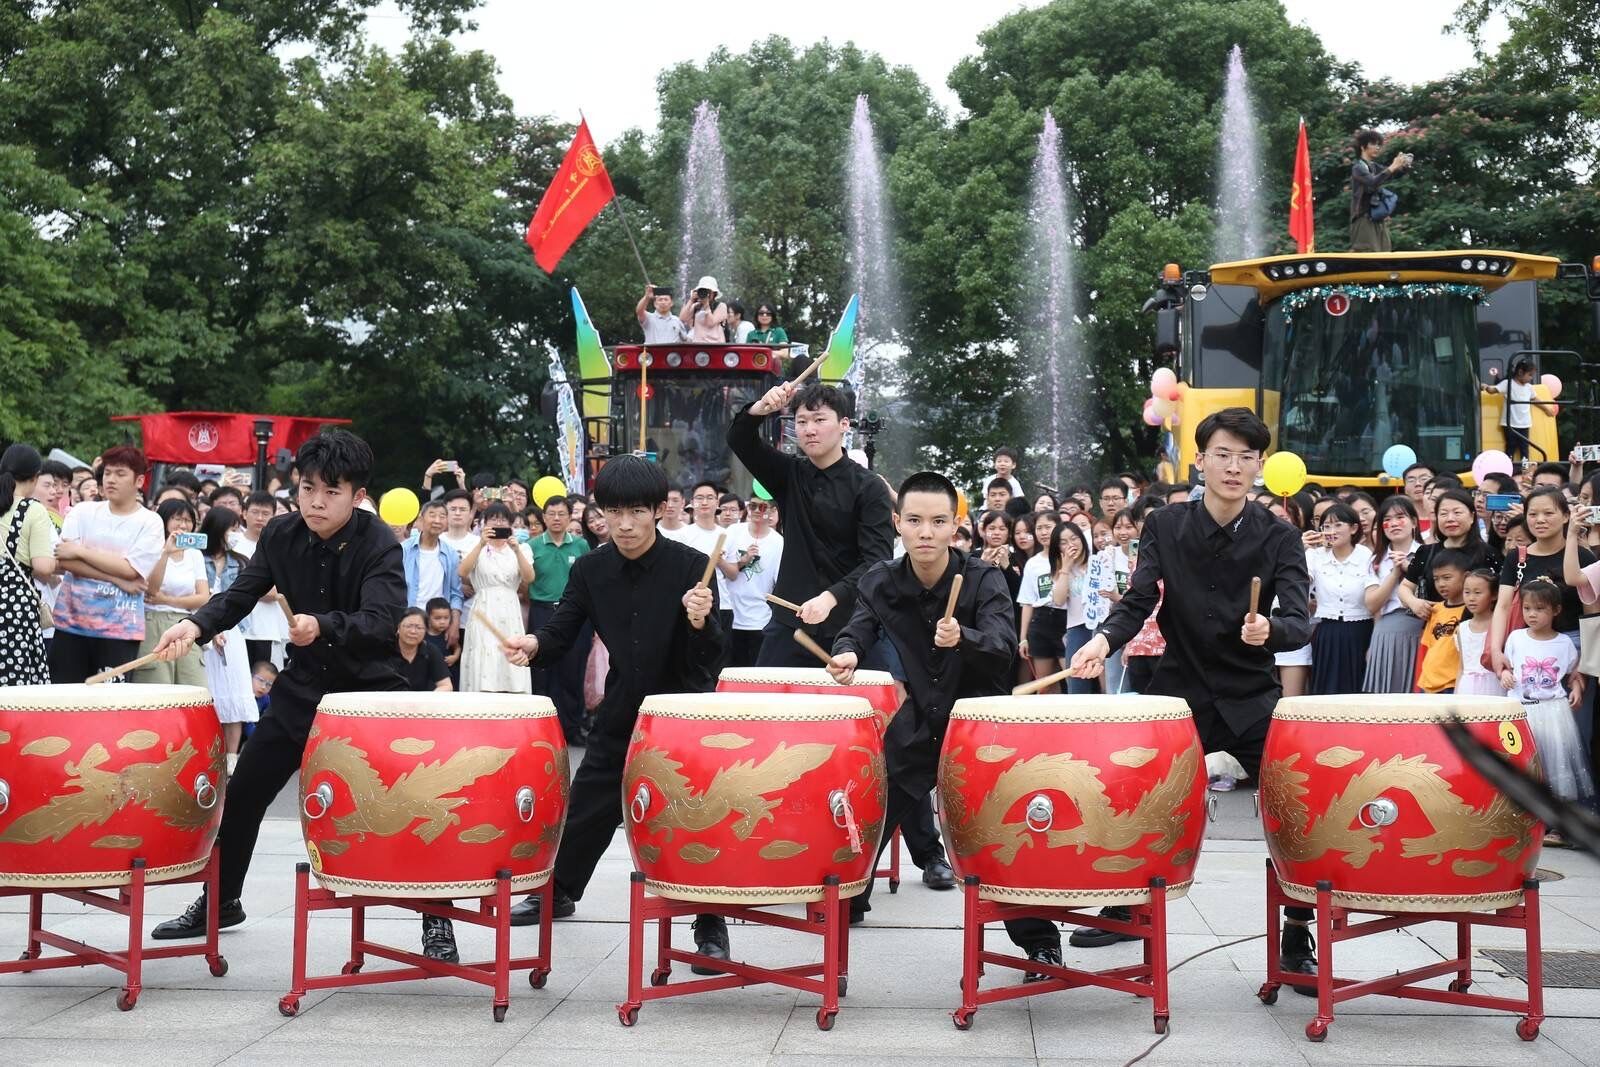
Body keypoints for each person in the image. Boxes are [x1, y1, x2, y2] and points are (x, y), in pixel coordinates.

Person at [146, 432, 435, 958]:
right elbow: (240, 594)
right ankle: (220, 901)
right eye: (307, 489)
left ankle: (437, 919)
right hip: (302, 688)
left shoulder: (379, 544)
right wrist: (196, 625)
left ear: (358, 496)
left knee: (407, 804)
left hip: (369, 693)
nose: (316, 502)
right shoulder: (281, 534)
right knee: (245, 792)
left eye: (331, 492)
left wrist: (322, 624)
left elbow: (381, 621)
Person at [1070, 408, 1314, 981]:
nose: (1234, 467)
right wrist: (1103, 641)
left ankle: (1298, 928)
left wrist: (1270, 630)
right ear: (1200, 460)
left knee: (1296, 801)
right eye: (1222, 454)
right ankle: (1126, 906)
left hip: (1251, 693)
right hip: (1179, 690)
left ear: (1259, 466)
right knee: (1135, 792)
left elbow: (1300, 621)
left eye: (1246, 457)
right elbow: (1139, 600)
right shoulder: (1165, 525)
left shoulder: (1279, 536)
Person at [825, 470, 1061, 969]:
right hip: (918, 720)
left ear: (955, 526)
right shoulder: (881, 579)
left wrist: (965, 639)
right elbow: (858, 627)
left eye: (937, 522)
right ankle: (848, 901)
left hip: (979, 727)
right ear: (898, 523)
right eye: (914, 521)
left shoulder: (983, 578)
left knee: (999, 837)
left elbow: (1002, 646)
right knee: (869, 810)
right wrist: (847, 652)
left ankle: (1039, 940)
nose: (926, 532)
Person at [499, 456, 729, 963]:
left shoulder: (691, 566)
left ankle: (710, 918)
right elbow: (562, 630)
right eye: (614, 512)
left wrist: (700, 621)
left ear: (658, 510)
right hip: (625, 702)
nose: (624, 524)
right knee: (589, 802)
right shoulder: (591, 569)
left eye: (636, 512)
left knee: (694, 817)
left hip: (685, 712)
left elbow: (712, 656)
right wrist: (534, 644)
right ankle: (559, 890)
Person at [728, 380, 894, 667]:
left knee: (871, 692)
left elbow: (877, 561)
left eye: (819, 419)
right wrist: (761, 407)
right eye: (802, 421)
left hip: (852, 626)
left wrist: (831, 597)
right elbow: (739, 439)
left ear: (844, 424)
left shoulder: (869, 487)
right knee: (762, 693)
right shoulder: (788, 473)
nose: (809, 429)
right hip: (790, 622)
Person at [47, 446, 165, 684]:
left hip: (119, 629)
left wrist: (81, 551)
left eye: (120, 474)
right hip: (71, 624)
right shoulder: (82, 512)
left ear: (139, 481)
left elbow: (131, 569)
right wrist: (117, 578)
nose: (111, 479)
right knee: (64, 697)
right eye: (108, 473)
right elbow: (65, 560)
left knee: (111, 700)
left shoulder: (150, 521)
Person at [1498, 578, 1594, 840]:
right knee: (1523, 764)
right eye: (1527, 608)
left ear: (1556, 610)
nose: (1532, 614)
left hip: (1553, 712)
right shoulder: (1516, 638)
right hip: (1522, 711)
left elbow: (1574, 673)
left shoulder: (1564, 643)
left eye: (1539, 609)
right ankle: (1521, 820)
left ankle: (1557, 824)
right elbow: (1507, 666)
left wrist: (1576, 689)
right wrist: (1505, 675)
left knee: (1555, 767)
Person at [196, 507, 259, 765]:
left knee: (235, 691)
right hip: (203, 628)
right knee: (210, 691)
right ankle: (209, 753)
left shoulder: (241, 561)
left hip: (234, 632)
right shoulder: (196, 558)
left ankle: (232, 756)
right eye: (231, 528)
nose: (235, 534)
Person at [526, 494, 591, 743]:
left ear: (570, 517)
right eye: (551, 514)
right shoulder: (532, 546)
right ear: (543, 517)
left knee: (573, 672)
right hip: (542, 611)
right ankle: (543, 730)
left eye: (561, 514)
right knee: (542, 672)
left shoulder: (581, 545)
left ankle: (572, 729)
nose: (556, 518)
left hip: (575, 614)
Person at [131, 498, 209, 687]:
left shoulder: (195, 554)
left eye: (188, 520)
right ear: (164, 520)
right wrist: (166, 552)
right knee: (157, 685)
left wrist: (166, 599)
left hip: (186, 623)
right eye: (177, 519)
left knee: (192, 685)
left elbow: (203, 597)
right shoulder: (151, 548)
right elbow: (152, 589)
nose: (183, 525)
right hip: (153, 622)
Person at [458, 502, 534, 694]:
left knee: (511, 652)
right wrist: (481, 544)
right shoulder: (475, 546)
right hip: (484, 606)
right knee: (484, 651)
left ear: (510, 524)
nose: (498, 523)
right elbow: (462, 572)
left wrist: (516, 550)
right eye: (493, 519)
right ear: (484, 523)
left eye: (503, 519)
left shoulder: (522, 548)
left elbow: (529, 578)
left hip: (510, 608)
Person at [1306, 503, 1377, 695]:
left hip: (1361, 629)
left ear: (1353, 528)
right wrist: (1302, 547)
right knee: (1327, 691)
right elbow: (1302, 580)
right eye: (1326, 526)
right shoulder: (1315, 556)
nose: (1331, 531)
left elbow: (1375, 598)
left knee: (1357, 688)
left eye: (1338, 525)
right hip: (1328, 631)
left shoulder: (1366, 556)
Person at [0, 444, 54, 686]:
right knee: (15, 683)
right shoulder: (32, 510)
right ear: (35, 477)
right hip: (14, 608)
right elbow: (43, 567)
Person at [1362, 496, 1425, 693]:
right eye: (1387, 519)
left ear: (1414, 522)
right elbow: (1372, 604)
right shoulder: (1376, 560)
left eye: (1400, 517)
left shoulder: (1428, 553)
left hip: (1423, 627)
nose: (1394, 523)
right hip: (1387, 631)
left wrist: (1410, 569)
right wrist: (1395, 573)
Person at [1020, 520, 1090, 694]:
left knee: (1095, 681)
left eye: (1074, 538)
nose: (1070, 545)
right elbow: (1058, 599)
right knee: (1059, 684)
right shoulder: (1059, 568)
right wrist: (1065, 568)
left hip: (1094, 624)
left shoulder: (1096, 562)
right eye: (1063, 542)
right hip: (1068, 626)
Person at [717, 490, 783, 668]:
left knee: (756, 674)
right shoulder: (733, 531)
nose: (756, 511)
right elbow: (724, 568)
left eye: (762, 507)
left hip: (761, 618)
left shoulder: (779, 542)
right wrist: (742, 561)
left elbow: (779, 584)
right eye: (752, 506)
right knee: (728, 671)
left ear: (772, 511)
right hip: (730, 615)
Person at [234, 491, 290, 669]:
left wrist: (247, 588)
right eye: (255, 512)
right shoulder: (233, 544)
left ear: (274, 516)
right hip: (236, 627)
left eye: (265, 513)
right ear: (244, 513)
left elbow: (280, 590)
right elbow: (229, 584)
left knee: (264, 678)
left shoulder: (280, 547)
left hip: (267, 628)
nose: (260, 518)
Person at [402, 499, 463, 652]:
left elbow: (456, 593)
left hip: (437, 626)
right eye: (432, 515)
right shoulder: (404, 550)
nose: (437, 520)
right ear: (421, 519)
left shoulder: (450, 554)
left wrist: (455, 624)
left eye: (442, 516)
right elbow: (392, 589)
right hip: (408, 621)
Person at [1349, 128, 1412, 252]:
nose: (1377, 147)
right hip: (1363, 219)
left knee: (1385, 253)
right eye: (1373, 144)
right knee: (1368, 254)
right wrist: (1393, 166)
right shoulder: (1358, 167)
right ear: (1362, 147)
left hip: (1377, 218)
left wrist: (1403, 165)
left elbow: (1392, 174)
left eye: (1379, 144)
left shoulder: (1374, 166)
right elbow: (1373, 182)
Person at [1415, 550, 1469, 694]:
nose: (1441, 584)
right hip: (1428, 684)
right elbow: (1427, 648)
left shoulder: (1471, 611)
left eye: (1446, 578)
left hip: (1453, 684)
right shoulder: (1436, 610)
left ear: (1466, 577)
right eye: (1436, 579)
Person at [1482, 360, 1550, 465]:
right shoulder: (1508, 384)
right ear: (1520, 372)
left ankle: (1525, 471)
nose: (1531, 378)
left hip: (1524, 424)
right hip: (1510, 424)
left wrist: (1546, 409)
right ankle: (1508, 469)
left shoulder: (1529, 387)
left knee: (1524, 450)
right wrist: (1486, 387)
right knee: (1510, 448)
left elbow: (1535, 399)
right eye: (1530, 375)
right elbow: (1493, 390)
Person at [1455, 570, 1502, 695]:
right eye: (1467, 592)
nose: (1471, 598)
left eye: (1477, 593)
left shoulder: (1500, 625)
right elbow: (1462, 666)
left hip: (1494, 685)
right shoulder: (1462, 628)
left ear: (1494, 595)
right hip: (1467, 688)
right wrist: (1456, 694)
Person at [397, 607, 452, 691]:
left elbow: (446, 685)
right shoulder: (385, 649)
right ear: (398, 627)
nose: (413, 631)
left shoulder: (431, 650)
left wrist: (430, 697)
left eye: (419, 627)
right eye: (408, 626)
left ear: (426, 630)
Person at [680, 275, 728, 343]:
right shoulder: (696, 306)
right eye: (703, 291)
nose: (706, 294)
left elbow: (711, 323)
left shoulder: (721, 306)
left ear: (714, 293)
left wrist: (706, 306)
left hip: (715, 345)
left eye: (708, 291)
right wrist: (691, 300)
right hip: (698, 345)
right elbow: (682, 318)